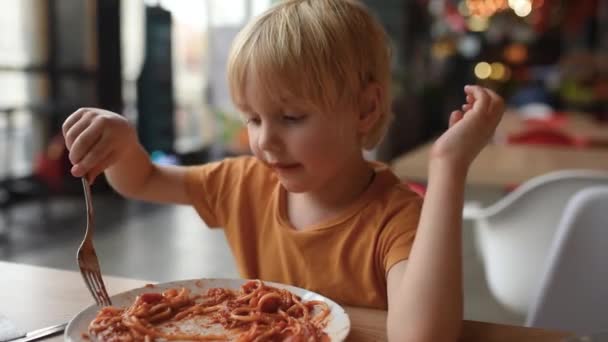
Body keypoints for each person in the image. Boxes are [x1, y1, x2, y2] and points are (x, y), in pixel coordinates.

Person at [62, 0, 504, 340]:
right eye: (253, 118)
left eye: (291, 117)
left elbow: (421, 336)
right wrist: (122, 145)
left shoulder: (396, 216)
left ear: (365, 109)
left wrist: (448, 167)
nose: (265, 141)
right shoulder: (245, 182)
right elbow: (144, 180)